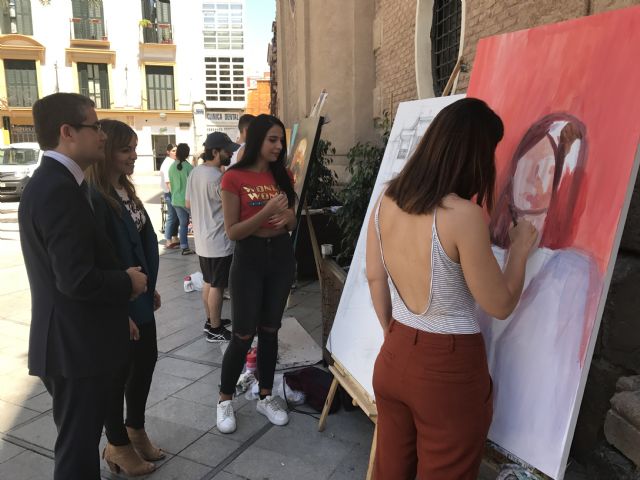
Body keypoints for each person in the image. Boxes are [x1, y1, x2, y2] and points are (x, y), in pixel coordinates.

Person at [365, 98, 538, 480]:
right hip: (448, 369)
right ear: (473, 154)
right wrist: (521, 250)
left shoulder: (387, 200)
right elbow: (501, 303)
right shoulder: (462, 215)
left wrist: (392, 334)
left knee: (390, 472)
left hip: (394, 354)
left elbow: (374, 276)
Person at [18, 93, 147, 480]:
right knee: (76, 454)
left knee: (79, 444)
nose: (102, 136)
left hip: (75, 338)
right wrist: (127, 281)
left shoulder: (61, 184)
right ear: (67, 132)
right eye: (95, 126)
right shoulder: (58, 190)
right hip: (72, 347)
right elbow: (75, 278)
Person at [477, 113, 601, 474]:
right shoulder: (481, 247)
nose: (534, 186)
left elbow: (557, 391)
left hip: (527, 438)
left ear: (564, 186)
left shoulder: (571, 275)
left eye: (549, 175)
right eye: (531, 169)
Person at [85, 119, 164, 476]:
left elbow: (140, 243)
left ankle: (135, 429)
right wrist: (121, 310)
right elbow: (102, 259)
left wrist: (151, 286)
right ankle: (117, 444)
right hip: (119, 302)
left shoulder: (127, 191)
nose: (134, 155)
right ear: (105, 153)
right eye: (125, 149)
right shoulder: (96, 198)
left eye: (134, 148)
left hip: (140, 297)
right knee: (116, 374)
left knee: (146, 361)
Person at [217, 114, 296, 434]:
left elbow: (292, 221)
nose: (278, 146)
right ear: (257, 141)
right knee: (242, 334)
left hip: (280, 257)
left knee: (271, 330)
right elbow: (233, 231)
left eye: (281, 140)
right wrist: (266, 212)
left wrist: (288, 216)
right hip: (248, 259)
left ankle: (266, 395)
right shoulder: (233, 178)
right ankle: (224, 400)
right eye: (272, 140)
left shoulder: (283, 176)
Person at [186, 132, 239, 343]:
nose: (230, 155)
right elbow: (231, 209)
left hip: (202, 240)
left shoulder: (195, 173)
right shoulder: (219, 179)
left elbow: (188, 203)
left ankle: (211, 320)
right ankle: (215, 329)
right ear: (215, 152)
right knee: (217, 285)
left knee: (208, 282)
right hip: (219, 241)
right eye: (227, 151)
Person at [168, 143, 195, 255]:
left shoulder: (172, 167)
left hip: (175, 200)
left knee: (183, 224)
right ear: (187, 154)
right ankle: (202, 245)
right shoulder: (189, 168)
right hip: (188, 201)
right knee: (198, 224)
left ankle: (184, 247)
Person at [159, 144, 179, 248]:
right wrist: (174, 194)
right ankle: (168, 239)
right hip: (170, 193)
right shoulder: (167, 164)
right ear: (168, 152)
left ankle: (175, 237)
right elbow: (168, 181)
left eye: (176, 150)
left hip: (174, 192)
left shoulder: (173, 162)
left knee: (176, 216)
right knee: (172, 216)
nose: (175, 153)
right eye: (173, 151)